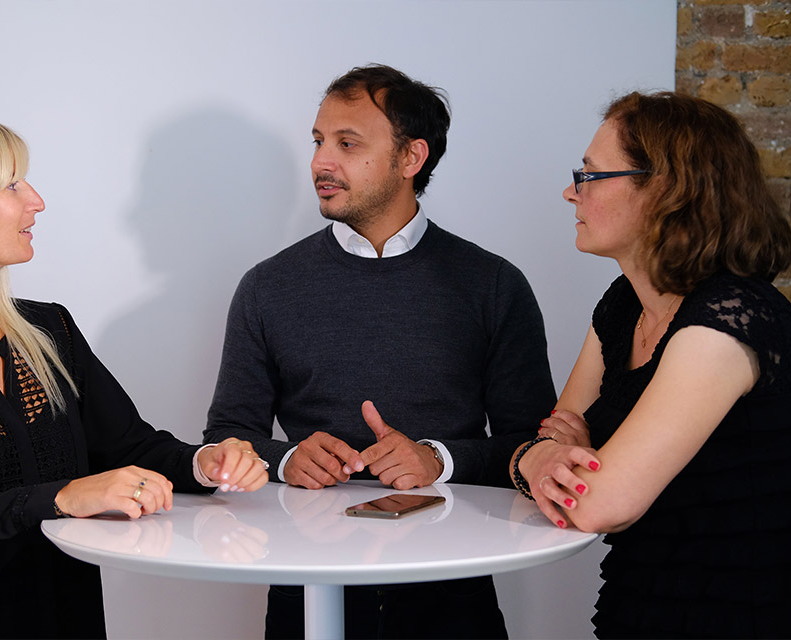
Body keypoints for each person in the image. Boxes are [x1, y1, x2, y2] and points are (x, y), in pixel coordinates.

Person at [0, 112, 269, 639]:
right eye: (12, 184)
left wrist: (204, 463)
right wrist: (61, 498)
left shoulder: (49, 330)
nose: (36, 201)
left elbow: (129, 448)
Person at [204, 64, 555, 639]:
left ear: (411, 157)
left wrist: (438, 459)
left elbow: (533, 446)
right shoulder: (267, 286)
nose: (321, 162)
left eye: (347, 144)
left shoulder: (493, 285)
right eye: (319, 141)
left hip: (452, 595)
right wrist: (286, 460)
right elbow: (226, 437)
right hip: (307, 589)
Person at [511, 91, 791, 638]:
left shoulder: (730, 319)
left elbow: (599, 505)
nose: (571, 191)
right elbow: (557, 437)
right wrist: (541, 458)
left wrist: (546, 462)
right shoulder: (623, 305)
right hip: (639, 610)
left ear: (663, 190)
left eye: (590, 175)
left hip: (738, 624)